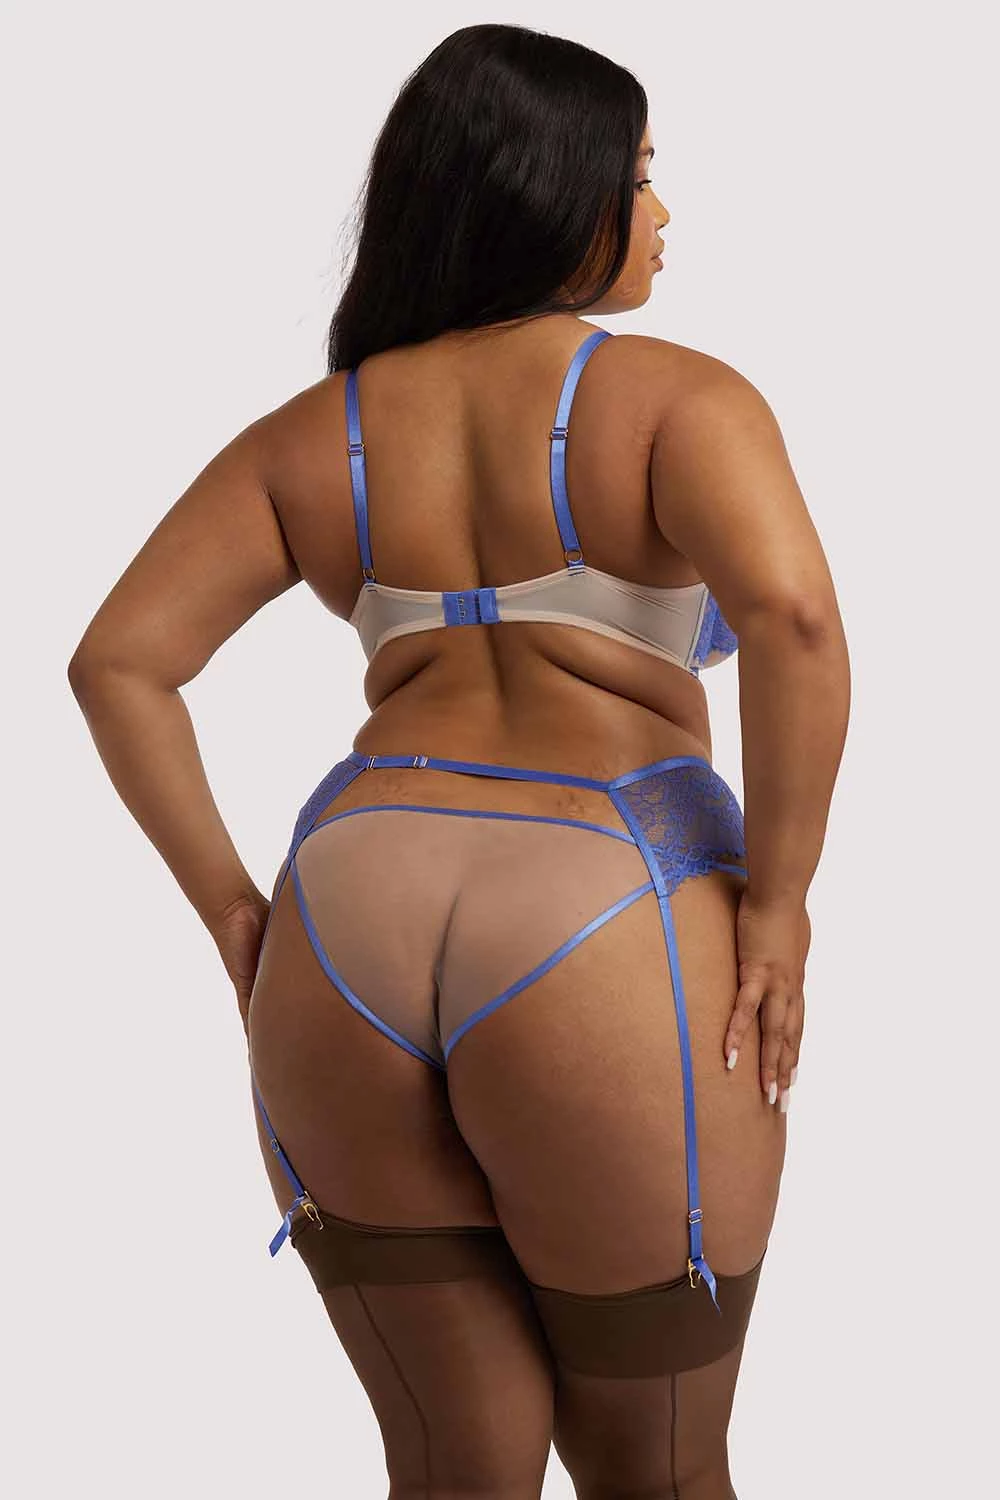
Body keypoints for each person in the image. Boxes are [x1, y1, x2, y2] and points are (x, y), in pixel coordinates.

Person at [68, 22, 850, 1500]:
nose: (663, 213)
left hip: (348, 911)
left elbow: (119, 662)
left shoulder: (320, 434)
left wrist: (236, 912)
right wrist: (781, 903)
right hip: (608, 901)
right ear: (551, 193)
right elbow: (796, 622)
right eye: (638, 175)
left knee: (450, 1465)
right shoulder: (679, 402)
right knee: (658, 1468)